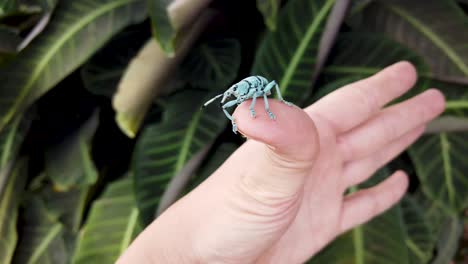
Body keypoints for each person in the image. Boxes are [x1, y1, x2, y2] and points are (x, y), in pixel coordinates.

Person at [116, 61, 446, 263]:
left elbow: (264, 91)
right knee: (242, 109)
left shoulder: (257, 91)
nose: (232, 98)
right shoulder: (239, 97)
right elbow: (238, 100)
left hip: (267, 97)